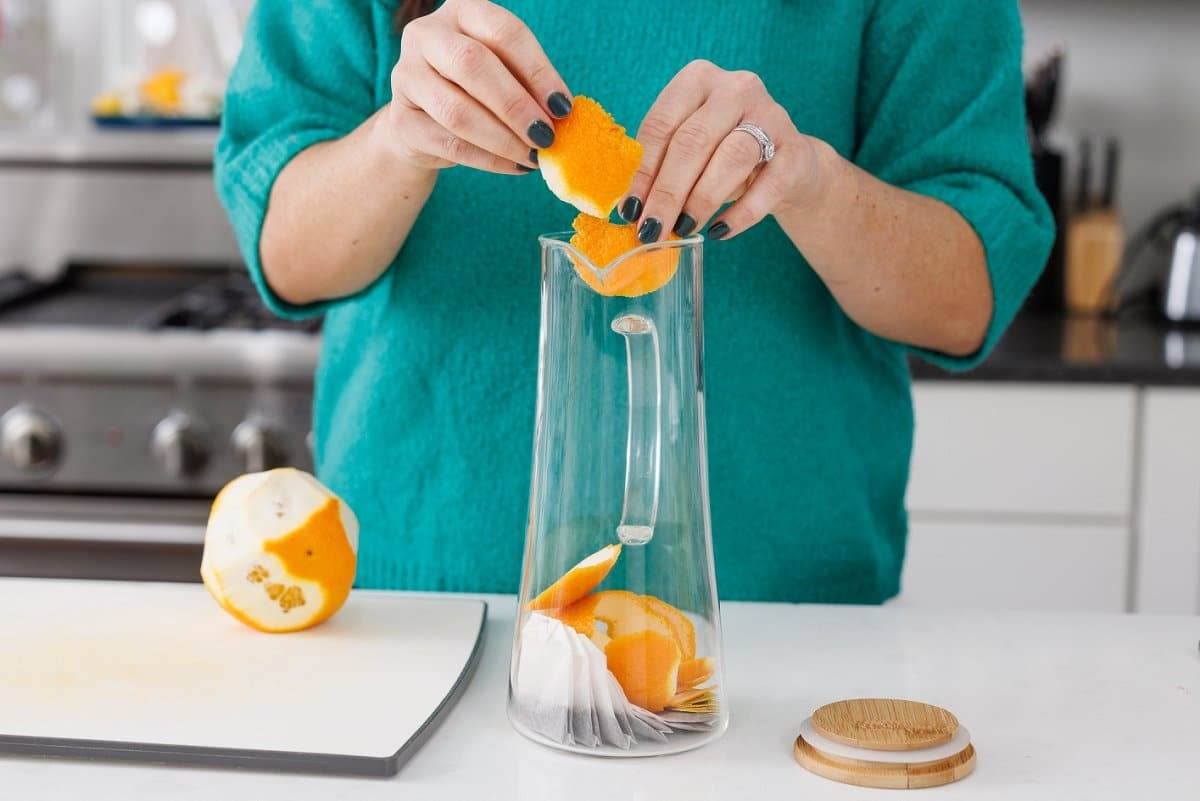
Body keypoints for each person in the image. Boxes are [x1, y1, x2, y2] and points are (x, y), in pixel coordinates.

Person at [215, 0, 1053, 603]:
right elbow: (290, 260)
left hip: (777, 612)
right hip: (418, 598)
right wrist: (400, 138)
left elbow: (963, 303)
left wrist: (808, 180)